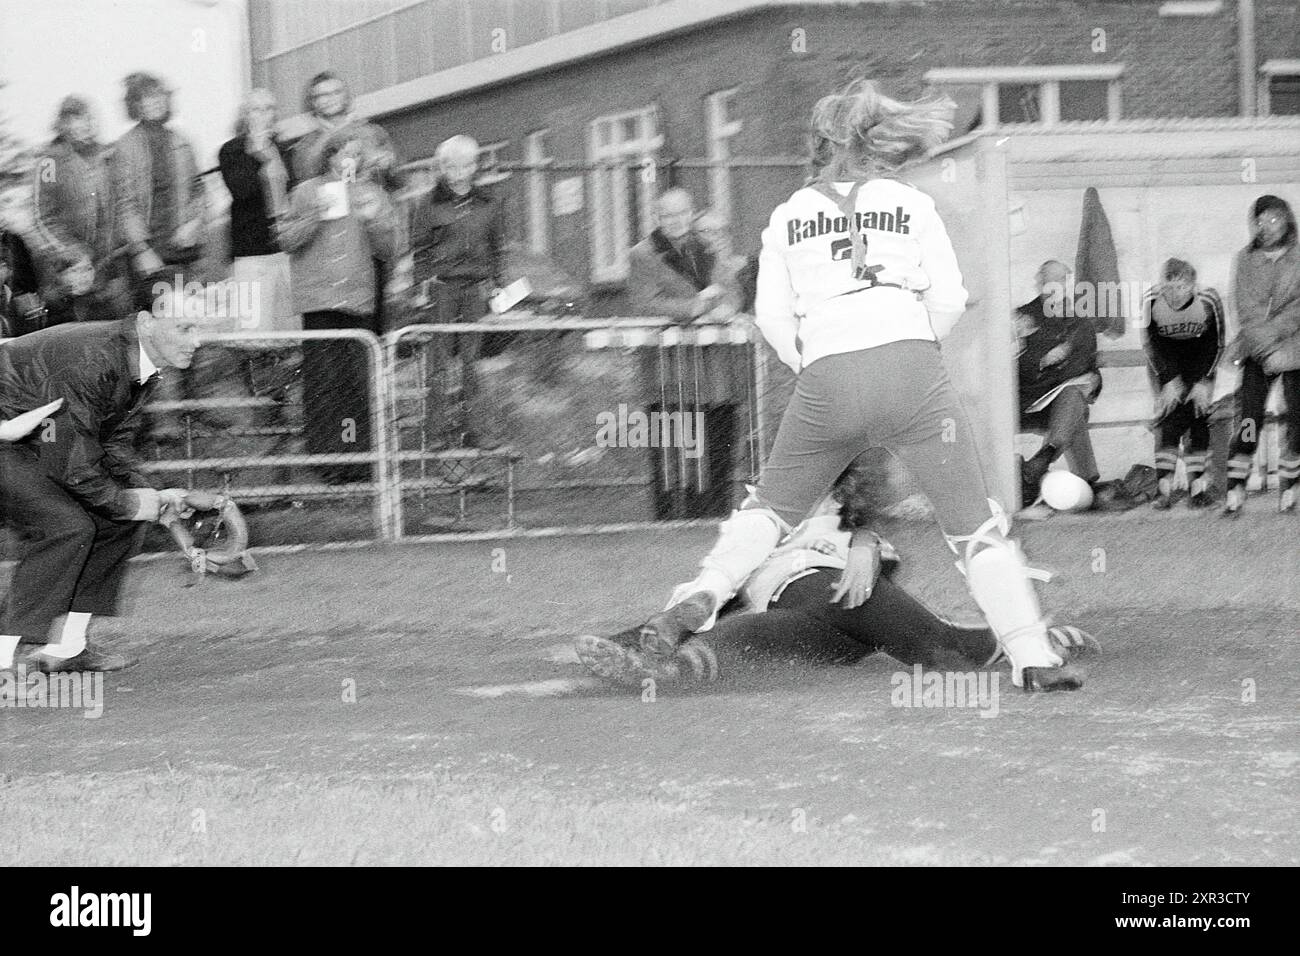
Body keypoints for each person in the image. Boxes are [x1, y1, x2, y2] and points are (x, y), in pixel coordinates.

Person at [628, 79, 1082, 692]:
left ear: (817, 146)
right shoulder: (912, 202)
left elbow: (772, 319)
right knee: (975, 527)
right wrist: (914, 343)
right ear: (875, 139)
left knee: (770, 509)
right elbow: (949, 299)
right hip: (912, 369)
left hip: (829, 375)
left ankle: (699, 595)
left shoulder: (788, 214)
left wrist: (813, 366)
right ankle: (1034, 659)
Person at [577, 462, 1098, 686]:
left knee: (939, 654)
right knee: (754, 632)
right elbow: (703, 600)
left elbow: (879, 556)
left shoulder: (842, 521)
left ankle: (1031, 638)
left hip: (845, 594)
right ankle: (666, 670)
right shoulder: (749, 537)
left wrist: (866, 544)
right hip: (807, 626)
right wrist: (623, 640)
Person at [0, 288, 199, 673]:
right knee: (66, 526)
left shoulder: (137, 364)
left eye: (198, 329)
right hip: (11, 437)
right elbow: (70, 458)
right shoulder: (95, 358)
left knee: (119, 518)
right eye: (185, 327)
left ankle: (68, 649)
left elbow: (110, 443)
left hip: (34, 439)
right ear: (146, 323)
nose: (197, 341)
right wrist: (128, 501)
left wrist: (148, 496)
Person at [278, 129, 401, 485]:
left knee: (353, 386)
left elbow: (388, 250)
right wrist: (311, 216)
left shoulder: (371, 192)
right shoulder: (305, 191)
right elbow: (287, 240)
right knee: (322, 385)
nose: (350, 160)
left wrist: (375, 219)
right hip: (318, 301)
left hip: (357, 299)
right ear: (328, 155)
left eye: (356, 154)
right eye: (342, 153)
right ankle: (326, 460)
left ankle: (354, 457)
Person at [627, 189, 746, 518]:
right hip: (670, 367)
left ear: (691, 214)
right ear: (656, 218)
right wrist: (695, 306)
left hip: (713, 367)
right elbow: (644, 305)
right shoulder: (643, 254)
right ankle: (669, 518)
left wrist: (727, 308)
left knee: (717, 437)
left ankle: (712, 513)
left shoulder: (707, 246)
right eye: (667, 215)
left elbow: (732, 290)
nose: (676, 221)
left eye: (682, 214)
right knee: (672, 442)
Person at [407, 134, 506, 449]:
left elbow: (497, 249)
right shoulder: (428, 203)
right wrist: (421, 287)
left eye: (465, 165)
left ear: (474, 166)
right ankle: (436, 435)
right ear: (442, 168)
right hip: (442, 287)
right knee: (438, 364)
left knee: (472, 362)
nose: (458, 172)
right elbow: (420, 250)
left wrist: (498, 285)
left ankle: (478, 430)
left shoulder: (490, 202)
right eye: (450, 166)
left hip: (476, 287)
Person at [1223, 194, 1300, 516]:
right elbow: (1246, 310)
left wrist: (1281, 349)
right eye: (1260, 220)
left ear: (1287, 221)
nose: (1266, 227)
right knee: (1250, 418)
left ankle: (1289, 486)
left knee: (1297, 417)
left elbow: (1298, 309)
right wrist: (1267, 350)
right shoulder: (1244, 258)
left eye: (1273, 219)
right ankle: (1235, 487)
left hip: (1295, 346)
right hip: (1257, 348)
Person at [29, 96, 128, 324]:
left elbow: (121, 202)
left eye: (88, 119)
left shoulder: (106, 155)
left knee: (117, 330)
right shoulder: (49, 162)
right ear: (64, 125)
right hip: (70, 271)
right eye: (76, 120)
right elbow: (42, 216)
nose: (85, 125)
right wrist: (74, 255)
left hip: (109, 265)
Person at [109, 72, 207, 294]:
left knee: (194, 318)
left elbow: (199, 190)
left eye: (159, 95)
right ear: (136, 105)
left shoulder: (182, 141)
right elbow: (125, 204)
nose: (155, 102)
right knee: (161, 323)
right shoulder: (126, 146)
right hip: (150, 257)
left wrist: (194, 223)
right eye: (147, 97)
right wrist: (142, 249)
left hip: (186, 253)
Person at [1140, 258, 1225, 509]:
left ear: (1193, 287)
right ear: (1161, 285)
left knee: (1198, 415)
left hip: (1200, 358)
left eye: (1181, 288)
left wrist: (1203, 381)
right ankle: (1164, 485)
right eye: (1169, 288)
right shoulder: (1152, 300)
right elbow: (1151, 344)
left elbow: (1217, 345)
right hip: (1167, 360)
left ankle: (1197, 487)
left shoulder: (1208, 301)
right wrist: (1168, 380)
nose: (1174, 295)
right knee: (1171, 416)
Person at [1015, 259, 1103, 502]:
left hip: (1061, 401)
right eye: (1052, 281)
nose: (1058, 287)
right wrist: (1042, 363)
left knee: (1074, 398)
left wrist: (1093, 381)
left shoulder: (1080, 320)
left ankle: (1040, 462)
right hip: (1026, 401)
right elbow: (1008, 368)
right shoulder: (1022, 318)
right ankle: (1086, 482)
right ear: (1040, 283)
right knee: (1074, 410)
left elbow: (1089, 364)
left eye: (1063, 281)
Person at [218, 88, 295, 333]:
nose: (263, 115)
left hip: (285, 248)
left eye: (269, 108)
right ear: (245, 115)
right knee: (255, 332)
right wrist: (258, 149)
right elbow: (242, 190)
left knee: (289, 330)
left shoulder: (284, 150)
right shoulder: (232, 150)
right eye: (256, 109)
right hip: (252, 251)